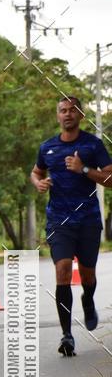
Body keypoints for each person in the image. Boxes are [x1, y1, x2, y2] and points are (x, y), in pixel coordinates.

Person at [31, 96, 112, 356]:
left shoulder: (93, 145)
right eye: (63, 111)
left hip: (88, 220)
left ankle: (88, 299)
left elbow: (110, 177)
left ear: (80, 115)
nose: (67, 114)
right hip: (59, 220)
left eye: (72, 110)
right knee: (63, 270)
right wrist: (39, 183)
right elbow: (36, 172)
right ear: (58, 116)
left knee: (87, 274)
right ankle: (67, 335)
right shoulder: (47, 147)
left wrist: (84, 169)